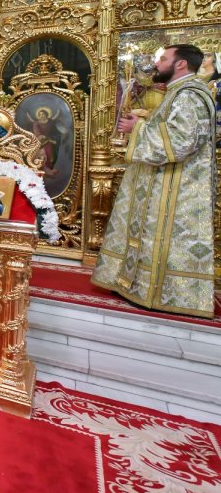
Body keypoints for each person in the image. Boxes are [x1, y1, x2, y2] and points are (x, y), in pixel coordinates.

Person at [92, 44, 217, 318]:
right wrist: (146, 120)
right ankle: (136, 285)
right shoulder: (178, 93)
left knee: (161, 236)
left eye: (163, 59)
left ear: (181, 64)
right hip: (161, 180)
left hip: (176, 187)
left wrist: (137, 128)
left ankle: (159, 292)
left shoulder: (190, 95)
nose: (157, 64)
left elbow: (183, 139)